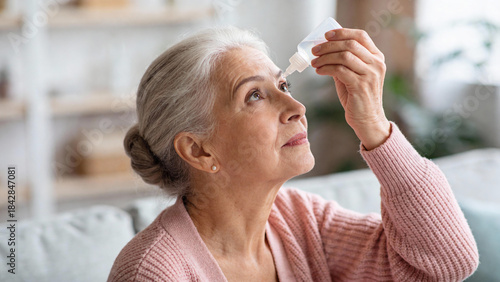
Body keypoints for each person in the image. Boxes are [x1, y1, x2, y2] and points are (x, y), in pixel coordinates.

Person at [108, 26, 479, 281]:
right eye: (254, 95)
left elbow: (447, 264)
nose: (295, 106)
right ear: (199, 150)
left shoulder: (301, 221)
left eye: (283, 84)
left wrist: (376, 126)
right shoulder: (154, 272)